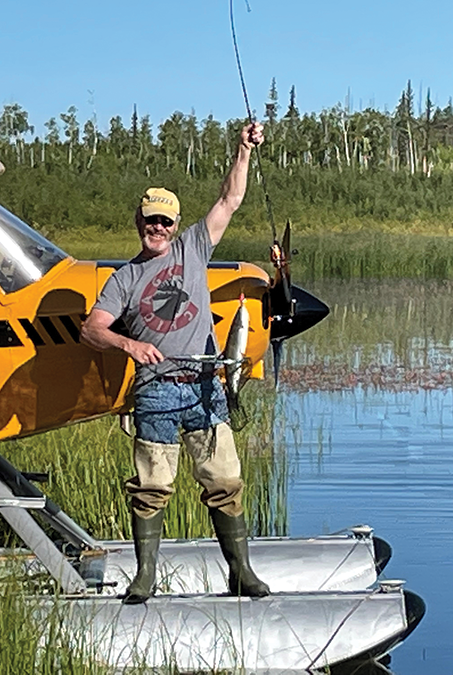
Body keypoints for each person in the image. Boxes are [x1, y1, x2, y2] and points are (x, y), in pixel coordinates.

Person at [81, 122, 269, 604]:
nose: (158, 228)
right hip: (155, 392)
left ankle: (241, 572)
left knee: (225, 482)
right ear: (139, 222)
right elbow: (92, 329)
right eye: (151, 220)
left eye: (166, 221)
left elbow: (229, 200)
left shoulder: (193, 247)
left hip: (205, 386)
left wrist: (242, 151)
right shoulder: (124, 279)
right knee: (151, 487)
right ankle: (146, 577)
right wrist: (129, 345)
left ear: (175, 224)